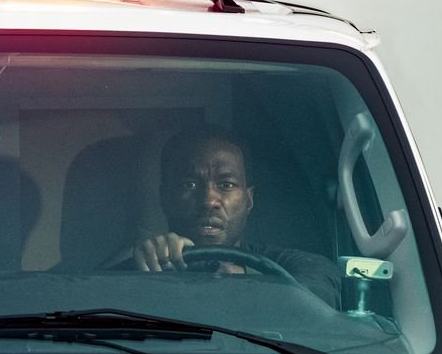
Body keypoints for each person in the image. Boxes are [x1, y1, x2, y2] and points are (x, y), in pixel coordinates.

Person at [122, 125, 342, 308]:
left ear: (249, 200)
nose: (209, 200)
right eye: (189, 184)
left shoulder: (291, 265)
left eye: (226, 184)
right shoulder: (137, 267)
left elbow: (320, 291)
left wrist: (239, 273)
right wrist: (145, 268)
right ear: (164, 197)